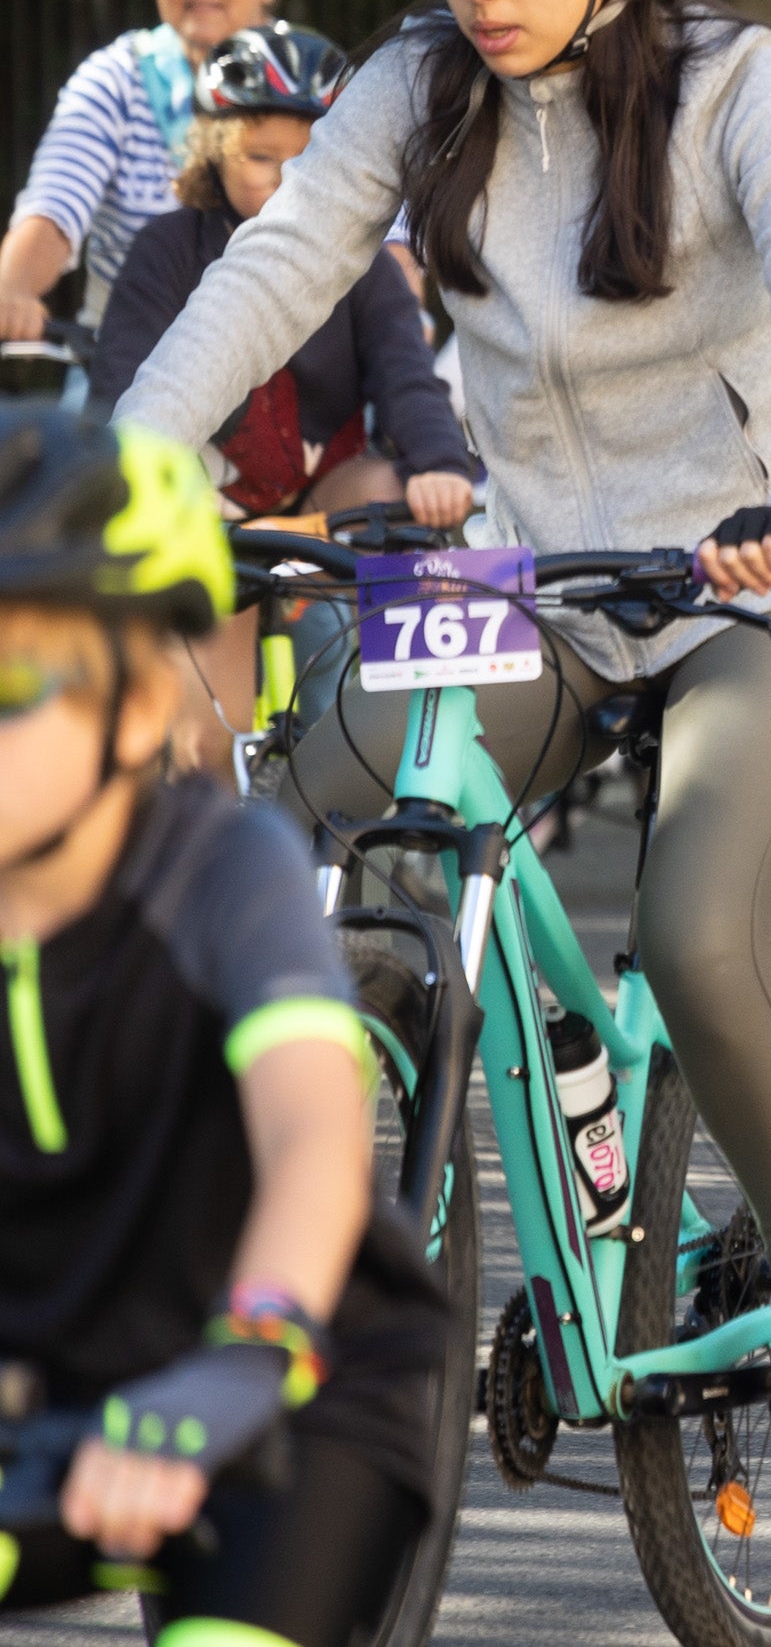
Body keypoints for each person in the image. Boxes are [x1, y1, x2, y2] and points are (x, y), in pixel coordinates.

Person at [109, 0, 771, 1523]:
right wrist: (107, 472)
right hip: (534, 580)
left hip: (752, 578)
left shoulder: (742, 85)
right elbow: (279, 267)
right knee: (307, 824)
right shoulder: (417, 85)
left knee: (703, 934)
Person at [0, 409, 461, 1647]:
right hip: (55, 1373)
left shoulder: (219, 873)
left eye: (14, 686)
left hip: (289, 1384)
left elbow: (315, 1130)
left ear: (144, 707)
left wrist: (250, 1348)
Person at [89, 25, 478, 747]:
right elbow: (121, 379)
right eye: (258, 156)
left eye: (303, 159)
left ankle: (415, 740)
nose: (279, 179)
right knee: (210, 730)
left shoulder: (359, 259)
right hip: (210, 506)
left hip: (321, 494)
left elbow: (404, 370)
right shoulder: (167, 249)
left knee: (399, 501)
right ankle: (225, 825)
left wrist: (441, 462)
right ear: (212, 146)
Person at [4, 0, 298, 338]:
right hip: (125, 365)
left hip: (285, 373)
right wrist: (13, 289)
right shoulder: (117, 78)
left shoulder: (314, 81)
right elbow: (56, 204)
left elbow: (375, 223)